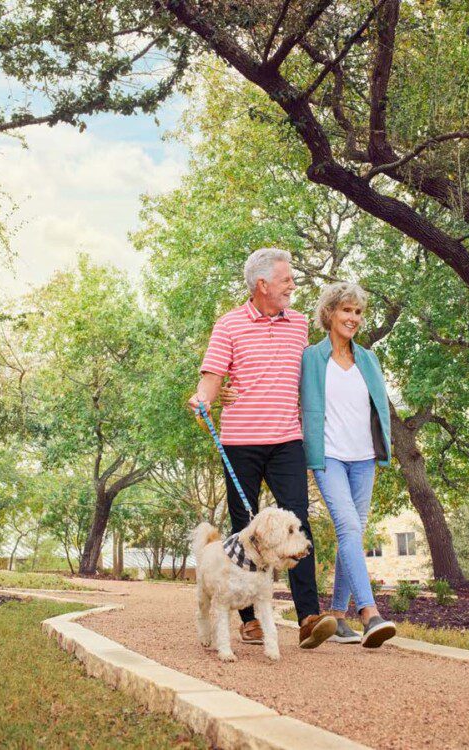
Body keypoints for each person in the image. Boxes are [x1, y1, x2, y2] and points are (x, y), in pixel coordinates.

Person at [187, 247, 337, 650]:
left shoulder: (300, 323)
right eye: (286, 279)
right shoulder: (228, 325)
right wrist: (204, 400)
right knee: (244, 529)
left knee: (297, 520)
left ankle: (308, 615)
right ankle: (250, 620)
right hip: (241, 442)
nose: (292, 285)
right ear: (262, 284)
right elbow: (211, 380)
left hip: (287, 438)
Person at [300, 282, 396, 648]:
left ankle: (338, 616)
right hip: (329, 457)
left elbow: (378, 409)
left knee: (351, 534)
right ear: (329, 314)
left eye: (357, 312)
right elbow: (279, 384)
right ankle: (370, 613)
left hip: (364, 458)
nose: (353, 318)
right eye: (346, 310)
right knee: (349, 527)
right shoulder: (311, 357)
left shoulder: (368, 359)